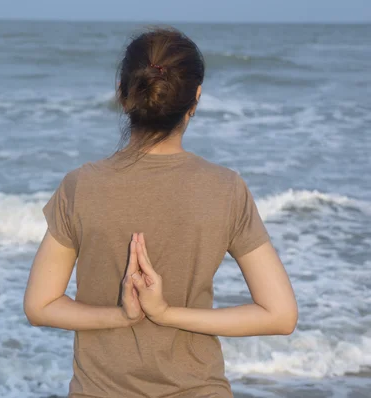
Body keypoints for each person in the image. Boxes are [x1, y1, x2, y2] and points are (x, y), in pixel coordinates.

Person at [24, 27, 298, 398]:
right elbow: (280, 316)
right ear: (195, 99)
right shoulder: (225, 189)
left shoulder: (81, 186)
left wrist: (123, 315)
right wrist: (167, 313)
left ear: (123, 94)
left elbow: (40, 306)